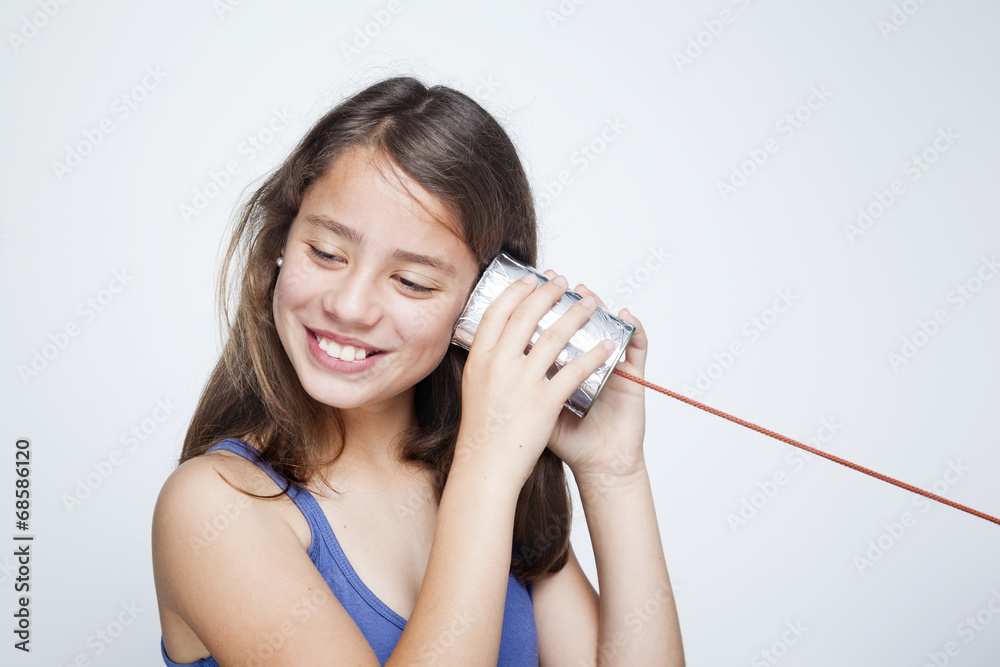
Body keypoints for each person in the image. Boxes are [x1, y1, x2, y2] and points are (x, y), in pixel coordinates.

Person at [152, 75, 684, 666]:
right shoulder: (213, 508)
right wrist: (488, 467)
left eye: (412, 281)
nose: (349, 306)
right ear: (282, 241)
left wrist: (615, 472)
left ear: (481, 307)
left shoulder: (488, 487)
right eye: (326, 253)